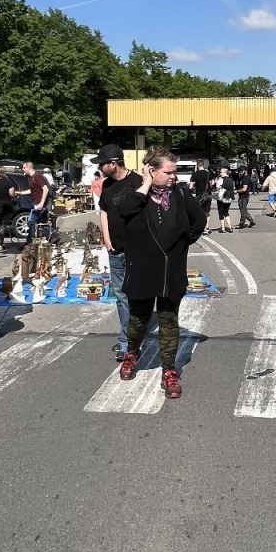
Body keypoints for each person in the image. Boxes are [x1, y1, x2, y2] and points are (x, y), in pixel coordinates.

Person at [113, 149, 206, 400]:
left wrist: (181, 246)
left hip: (170, 270)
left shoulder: (181, 195)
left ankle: (169, 370)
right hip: (142, 269)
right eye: (168, 172)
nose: (173, 177)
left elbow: (198, 222)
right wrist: (145, 185)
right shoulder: (135, 194)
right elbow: (124, 211)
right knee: (138, 321)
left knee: (168, 321)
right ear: (152, 171)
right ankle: (132, 354)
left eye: (174, 172)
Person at [96, 144, 145, 363]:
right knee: (122, 298)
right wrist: (107, 240)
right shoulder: (106, 185)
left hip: (137, 251)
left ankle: (133, 341)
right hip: (115, 250)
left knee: (137, 297)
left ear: (114, 164)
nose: (99, 167)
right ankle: (127, 342)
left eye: (102, 163)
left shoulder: (137, 183)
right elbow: (104, 212)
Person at [16, 160, 52, 242]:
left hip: (40, 205)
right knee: (37, 224)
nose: (23, 169)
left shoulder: (37, 176)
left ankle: (30, 243)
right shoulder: (32, 178)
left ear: (29, 167)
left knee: (31, 223)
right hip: (35, 203)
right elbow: (32, 190)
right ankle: (46, 238)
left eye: (24, 168)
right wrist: (20, 193)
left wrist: (41, 203)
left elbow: (45, 189)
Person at [213, 168, 235, 234]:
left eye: (221, 172)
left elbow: (217, 188)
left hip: (221, 198)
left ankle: (223, 228)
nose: (220, 173)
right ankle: (230, 227)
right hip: (229, 198)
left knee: (221, 212)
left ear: (225, 172)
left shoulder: (220, 179)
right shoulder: (231, 180)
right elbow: (233, 188)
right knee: (226, 212)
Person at [234, 165, 254, 230]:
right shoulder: (241, 177)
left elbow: (244, 189)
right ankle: (251, 221)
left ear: (245, 171)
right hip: (241, 196)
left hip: (244, 196)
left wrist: (237, 191)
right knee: (244, 210)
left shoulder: (246, 178)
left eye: (241, 171)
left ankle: (242, 223)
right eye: (239, 171)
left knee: (243, 210)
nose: (239, 173)